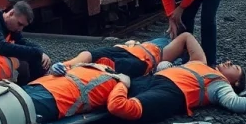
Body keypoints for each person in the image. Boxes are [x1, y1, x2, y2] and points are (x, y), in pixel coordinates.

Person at [104, 42, 246, 123]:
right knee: (108, 87)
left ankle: (120, 88)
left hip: (172, 93)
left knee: (122, 107)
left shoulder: (220, 84)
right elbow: (187, 38)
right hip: (156, 79)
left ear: (235, 83)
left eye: (234, 67)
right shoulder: (200, 64)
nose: (229, 61)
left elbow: (234, 103)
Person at [49, 33, 201, 78]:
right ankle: (65, 65)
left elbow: (186, 37)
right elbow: (185, 37)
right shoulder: (164, 48)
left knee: (106, 61)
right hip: (134, 51)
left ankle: (66, 66)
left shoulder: (164, 54)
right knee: (99, 56)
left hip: (142, 58)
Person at [23, 62, 130, 124]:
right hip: (40, 87)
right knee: (11, 97)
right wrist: (55, 68)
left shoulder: (116, 83)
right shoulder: (85, 66)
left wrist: (124, 84)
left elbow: (116, 106)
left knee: (14, 106)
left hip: (55, 99)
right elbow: (61, 69)